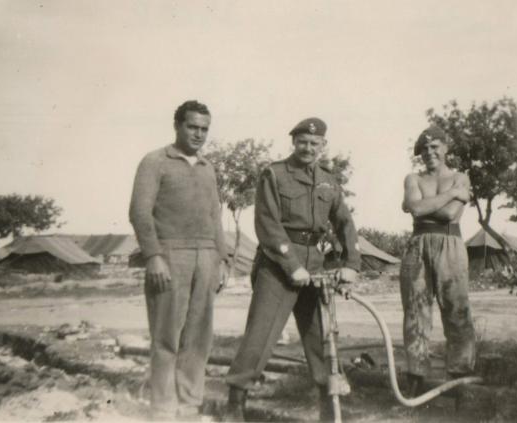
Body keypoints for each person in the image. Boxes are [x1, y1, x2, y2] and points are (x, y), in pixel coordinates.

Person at [224, 117, 361, 422]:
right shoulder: (274, 174)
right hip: (278, 265)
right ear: (293, 142)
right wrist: (292, 265)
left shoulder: (328, 180)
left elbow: (344, 224)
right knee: (261, 334)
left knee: (323, 338)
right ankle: (235, 403)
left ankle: (330, 409)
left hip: (315, 263)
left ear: (323, 146)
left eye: (315, 144)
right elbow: (267, 224)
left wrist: (350, 264)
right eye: (302, 142)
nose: (308, 148)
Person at [129, 100, 228, 420]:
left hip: (206, 257)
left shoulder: (207, 167)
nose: (199, 134)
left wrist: (222, 260)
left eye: (204, 129)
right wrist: (154, 256)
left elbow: (215, 216)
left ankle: (189, 406)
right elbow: (140, 213)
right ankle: (162, 409)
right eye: (192, 127)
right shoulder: (155, 161)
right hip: (170, 256)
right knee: (167, 337)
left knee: (198, 339)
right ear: (178, 126)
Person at [400, 124, 476, 396]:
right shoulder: (413, 178)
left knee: (456, 310)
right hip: (418, 245)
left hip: (451, 244)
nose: (429, 152)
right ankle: (416, 375)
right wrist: (451, 195)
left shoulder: (461, 177)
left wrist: (432, 204)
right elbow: (417, 208)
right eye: (424, 149)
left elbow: (449, 215)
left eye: (435, 147)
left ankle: (459, 376)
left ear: (446, 148)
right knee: (415, 312)